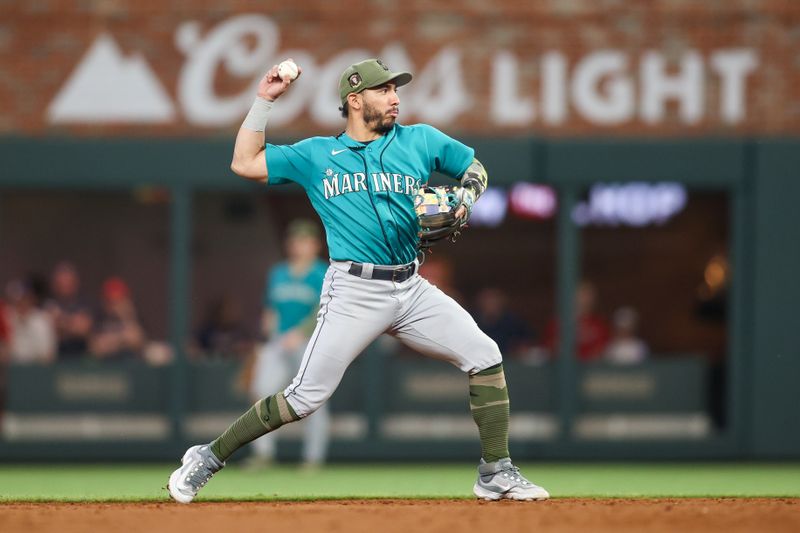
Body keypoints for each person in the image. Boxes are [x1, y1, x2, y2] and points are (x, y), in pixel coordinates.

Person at [168, 58, 549, 503]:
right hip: (353, 290)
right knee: (303, 399)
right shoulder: (315, 155)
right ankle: (207, 457)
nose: (395, 98)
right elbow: (244, 162)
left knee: (485, 355)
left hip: (411, 287)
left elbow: (475, 169)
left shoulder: (420, 139)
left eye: (396, 90)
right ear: (355, 100)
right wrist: (264, 100)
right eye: (384, 90)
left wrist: (466, 195)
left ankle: (496, 473)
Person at [246, 219, 330, 469]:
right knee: (262, 393)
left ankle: (313, 458)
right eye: (295, 240)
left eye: (305, 240)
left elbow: (326, 308)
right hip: (279, 343)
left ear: (315, 245)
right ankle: (263, 454)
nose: (299, 245)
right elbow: (270, 309)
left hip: (309, 344)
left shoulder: (323, 272)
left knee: (313, 400)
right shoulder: (278, 272)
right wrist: (267, 338)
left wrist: (300, 332)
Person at [543, 280, 610, 361]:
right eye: (582, 293)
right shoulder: (558, 323)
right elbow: (551, 350)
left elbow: (604, 351)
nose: (586, 298)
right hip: (565, 371)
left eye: (589, 294)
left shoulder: (599, 325)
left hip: (592, 371)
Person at [89, 277, 146, 360]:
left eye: (119, 300)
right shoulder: (100, 317)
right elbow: (97, 348)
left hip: (129, 366)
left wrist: (127, 316)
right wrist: (123, 339)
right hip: (107, 367)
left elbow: (137, 341)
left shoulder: (131, 317)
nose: (116, 305)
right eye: (111, 301)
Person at [45, 262, 93, 358]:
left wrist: (60, 320)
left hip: (80, 356)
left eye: (67, 281)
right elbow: (47, 328)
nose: (64, 285)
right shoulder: (48, 303)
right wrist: (71, 323)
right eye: (60, 282)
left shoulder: (84, 303)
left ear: (75, 282)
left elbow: (83, 329)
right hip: (56, 357)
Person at [4, 280, 56, 364]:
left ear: (32, 299)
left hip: (36, 369)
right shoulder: (6, 318)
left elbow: (48, 355)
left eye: (25, 299)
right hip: (10, 369)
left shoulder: (42, 320)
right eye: (18, 300)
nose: (22, 304)